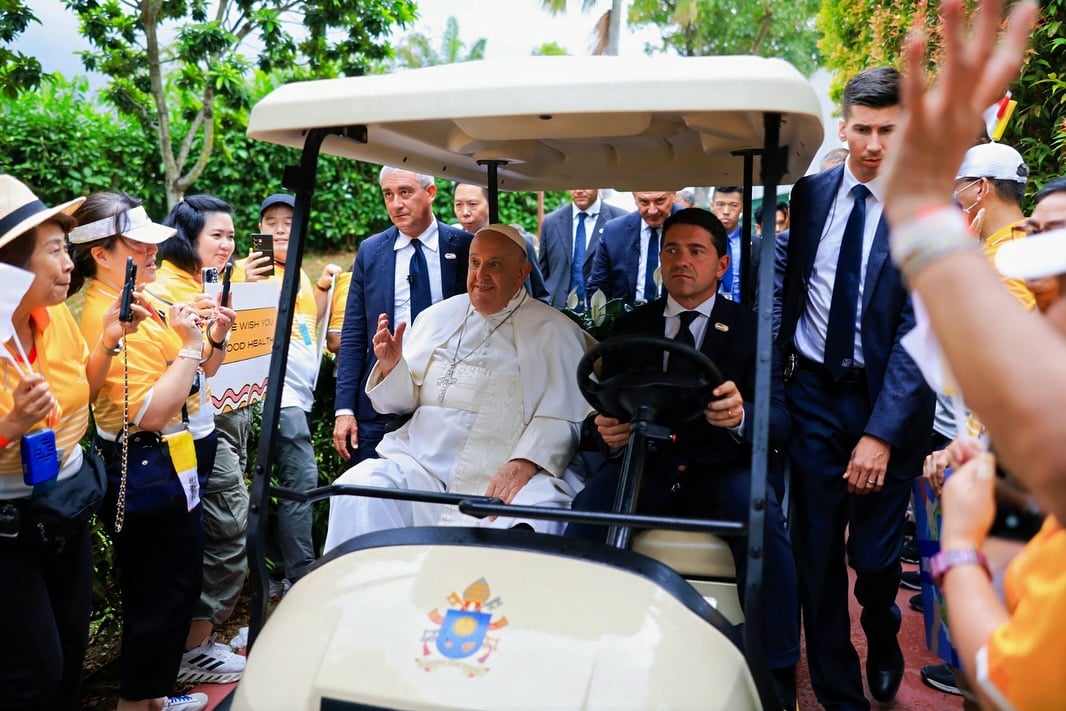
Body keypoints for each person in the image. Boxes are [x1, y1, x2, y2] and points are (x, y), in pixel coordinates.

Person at [564, 207, 799, 707]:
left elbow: (780, 422)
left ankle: (774, 667)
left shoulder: (752, 331)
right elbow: (596, 415)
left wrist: (740, 416)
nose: (682, 261)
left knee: (765, 523)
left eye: (696, 251)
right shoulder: (632, 327)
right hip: (645, 467)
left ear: (721, 262)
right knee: (585, 512)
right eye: (672, 250)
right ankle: (577, 645)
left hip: (721, 470)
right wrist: (604, 430)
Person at [776, 66, 935, 708]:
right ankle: (841, 693)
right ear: (843, 128)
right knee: (816, 556)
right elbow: (791, 293)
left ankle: (884, 628)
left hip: (886, 403)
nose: (874, 144)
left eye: (888, 131)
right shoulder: (810, 196)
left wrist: (879, 433)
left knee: (871, 562)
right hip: (812, 394)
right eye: (863, 129)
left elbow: (919, 331)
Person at [876, 0, 1062, 523]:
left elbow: (1003, 370)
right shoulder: (995, 254)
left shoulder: (1017, 264)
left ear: (979, 188)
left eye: (958, 186)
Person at [323, 224, 591, 551]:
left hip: (506, 473)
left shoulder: (554, 331)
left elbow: (563, 416)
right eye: (475, 263)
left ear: (522, 273)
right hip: (422, 469)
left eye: (495, 265)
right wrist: (394, 367)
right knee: (358, 489)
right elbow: (400, 404)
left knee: (535, 515)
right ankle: (368, 594)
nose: (480, 275)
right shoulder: (437, 317)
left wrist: (526, 462)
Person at [69, 191, 234, 711]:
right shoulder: (112, 313)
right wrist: (188, 345)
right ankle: (138, 702)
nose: (151, 251)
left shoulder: (140, 296)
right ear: (101, 253)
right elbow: (152, 412)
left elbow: (199, 371)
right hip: (147, 455)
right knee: (158, 588)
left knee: (172, 581)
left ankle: (154, 696)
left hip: (171, 455)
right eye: (137, 244)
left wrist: (213, 339)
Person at [0, 176, 141, 710]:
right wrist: (10, 428)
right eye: (56, 251)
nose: (69, 264)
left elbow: (86, 381)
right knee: (31, 669)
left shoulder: (56, 316)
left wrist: (106, 339)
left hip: (65, 507)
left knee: (68, 650)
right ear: (10, 266)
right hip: (9, 525)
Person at [153, 195, 248, 686]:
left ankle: (197, 643)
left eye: (231, 236)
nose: (228, 245)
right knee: (226, 531)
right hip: (180, 435)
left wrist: (219, 335)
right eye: (217, 235)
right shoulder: (168, 292)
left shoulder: (202, 285)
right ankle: (194, 649)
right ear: (187, 238)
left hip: (203, 427)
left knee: (212, 537)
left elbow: (206, 369)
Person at [236, 192, 341, 588]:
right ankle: (301, 573)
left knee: (273, 483)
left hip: (296, 392)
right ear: (259, 229)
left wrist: (323, 290)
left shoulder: (294, 270)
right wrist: (247, 283)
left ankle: (276, 567)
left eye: (288, 222)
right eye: (271, 223)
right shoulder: (253, 269)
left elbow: (301, 323)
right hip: (275, 396)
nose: (280, 229)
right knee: (300, 480)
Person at [333, 168, 472, 465]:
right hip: (380, 408)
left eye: (405, 192)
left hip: (445, 402)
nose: (396, 204)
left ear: (430, 193)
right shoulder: (371, 252)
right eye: (388, 194)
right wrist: (344, 408)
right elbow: (355, 333)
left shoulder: (463, 247)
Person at [451, 182, 549, 300]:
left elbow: (539, 295)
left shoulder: (518, 243)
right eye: (458, 204)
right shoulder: (452, 245)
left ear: (490, 204)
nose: (465, 212)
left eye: (472, 204)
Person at [538, 188, 628, 309]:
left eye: (586, 184)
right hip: (557, 312)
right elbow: (542, 273)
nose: (579, 190)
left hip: (602, 313)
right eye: (573, 184)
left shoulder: (620, 220)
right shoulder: (551, 222)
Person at [588, 190, 677, 305]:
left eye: (660, 201)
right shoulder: (614, 232)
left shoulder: (691, 227)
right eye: (644, 202)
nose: (652, 210)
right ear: (634, 197)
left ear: (673, 194)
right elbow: (598, 286)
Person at [711, 186, 746, 302]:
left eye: (733, 205)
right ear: (712, 206)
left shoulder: (755, 244)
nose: (726, 212)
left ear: (742, 207)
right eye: (720, 204)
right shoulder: (700, 243)